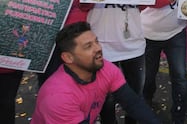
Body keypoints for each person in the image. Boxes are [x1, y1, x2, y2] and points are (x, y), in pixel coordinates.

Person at [84, 0, 167, 124]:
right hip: (104, 44)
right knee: (107, 100)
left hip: (133, 45)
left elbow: (141, 6)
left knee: (134, 98)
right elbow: (84, 5)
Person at [31, 21, 161, 124]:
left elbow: (132, 103)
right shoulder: (58, 97)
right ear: (68, 57)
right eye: (88, 46)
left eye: (96, 42)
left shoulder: (105, 69)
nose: (98, 48)